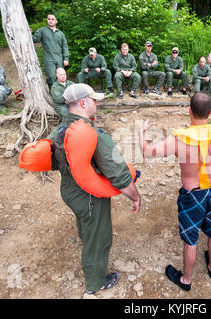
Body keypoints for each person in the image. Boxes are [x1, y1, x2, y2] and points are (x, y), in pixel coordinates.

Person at [139, 92, 211, 291]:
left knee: (191, 240)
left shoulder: (179, 139)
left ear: (189, 111)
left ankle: (186, 280)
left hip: (193, 194)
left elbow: (147, 152)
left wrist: (141, 133)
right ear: (210, 112)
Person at [48, 83, 141, 297]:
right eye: (94, 100)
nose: (97, 103)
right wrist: (135, 197)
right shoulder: (95, 136)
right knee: (99, 238)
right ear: (82, 103)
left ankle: (84, 236)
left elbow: (53, 162)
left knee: (85, 223)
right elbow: (119, 174)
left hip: (69, 192)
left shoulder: (60, 131)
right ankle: (95, 283)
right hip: (90, 198)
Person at [32, 14, 69, 91]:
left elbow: (65, 47)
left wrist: (66, 58)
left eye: (52, 19)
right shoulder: (42, 30)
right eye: (49, 19)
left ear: (56, 21)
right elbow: (34, 39)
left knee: (61, 76)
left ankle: (61, 93)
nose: (50, 21)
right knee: (51, 77)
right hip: (49, 58)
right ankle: (52, 94)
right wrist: (28, 33)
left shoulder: (60, 33)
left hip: (59, 58)